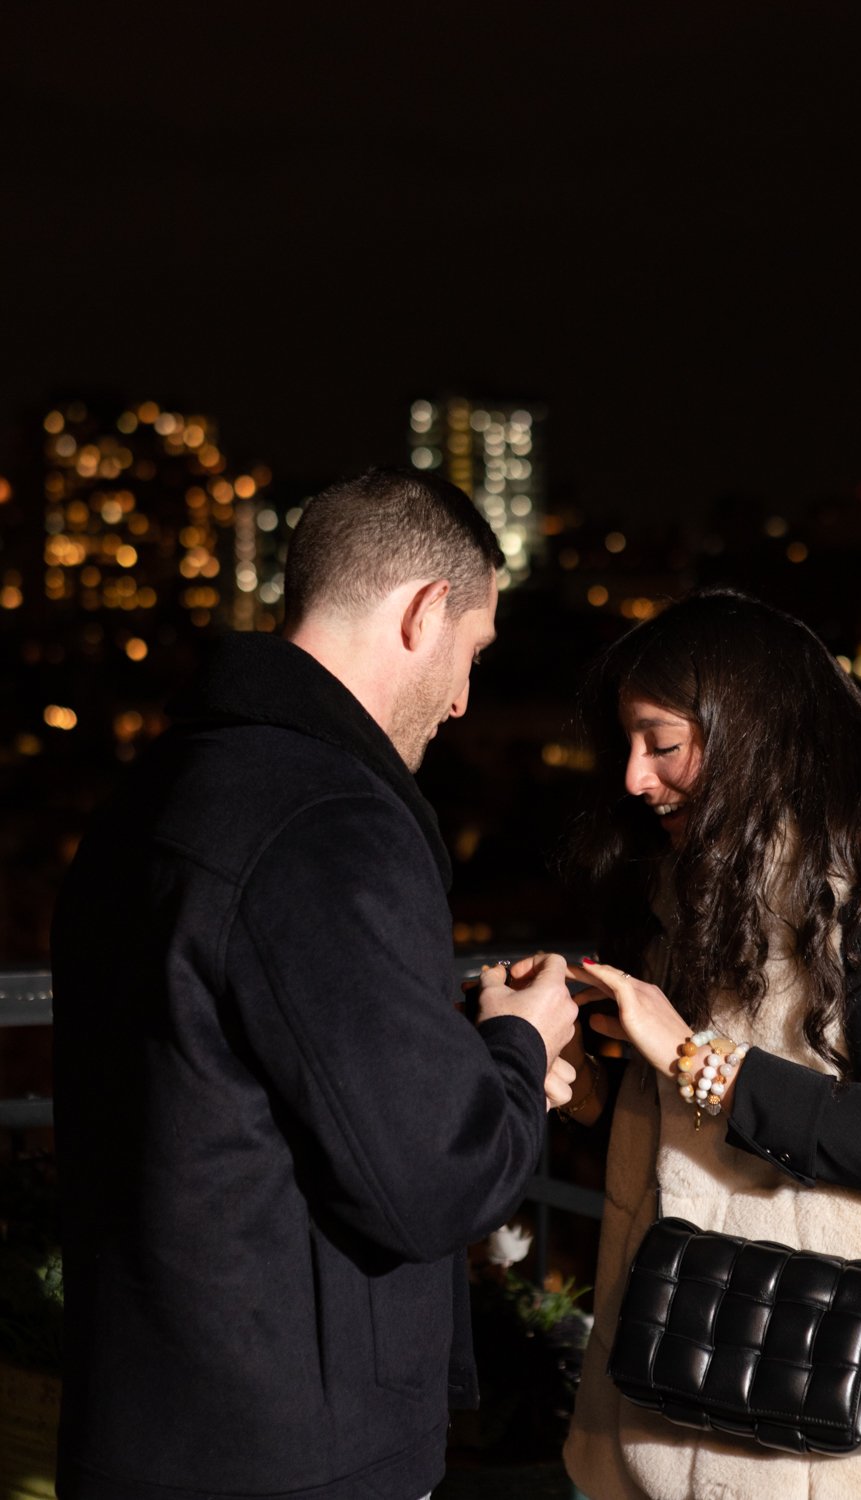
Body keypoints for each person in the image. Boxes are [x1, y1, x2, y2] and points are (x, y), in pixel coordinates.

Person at [51, 467, 578, 1500]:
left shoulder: (157, 787)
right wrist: (520, 1045)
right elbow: (429, 1184)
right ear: (424, 612)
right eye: (472, 651)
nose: (465, 699)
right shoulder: (329, 822)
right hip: (291, 1451)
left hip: (150, 1420)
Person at [556, 588, 861, 1500]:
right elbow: (702, 1155)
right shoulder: (696, 883)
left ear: (752, 728)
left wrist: (691, 1057)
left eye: (664, 743)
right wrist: (601, 1091)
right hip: (670, 1395)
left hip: (838, 1439)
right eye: (628, 747)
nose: (635, 778)